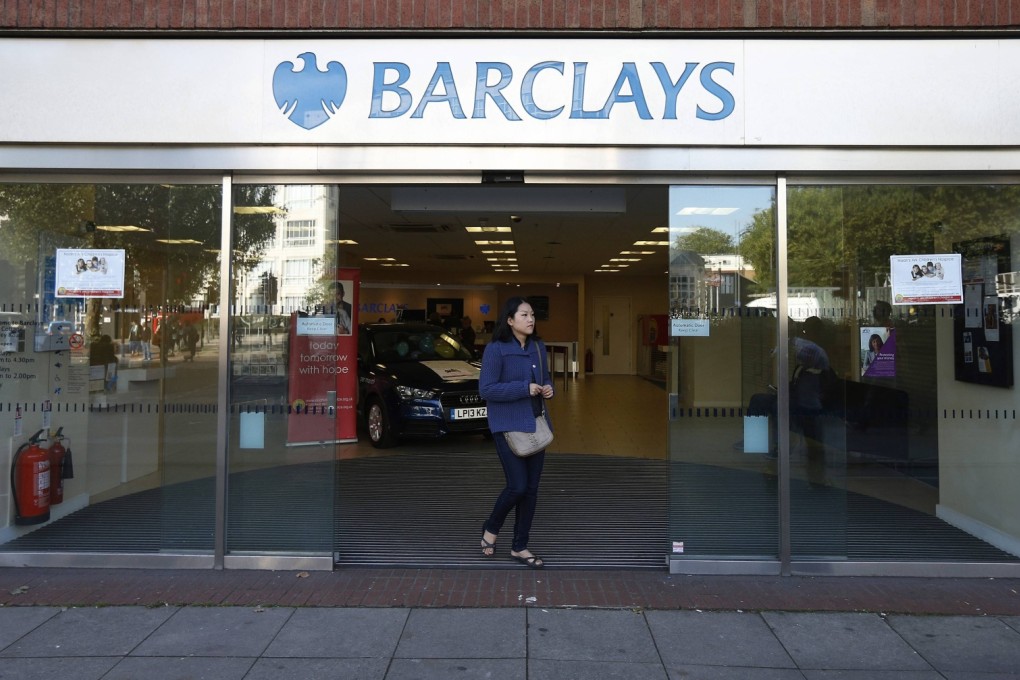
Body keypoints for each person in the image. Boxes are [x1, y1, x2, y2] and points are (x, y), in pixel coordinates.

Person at [478, 297, 553, 569]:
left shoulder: (538, 347)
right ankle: (491, 526)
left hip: (535, 425)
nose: (531, 319)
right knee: (517, 486)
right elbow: (486, 389)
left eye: (532, 314)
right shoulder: (496, 350)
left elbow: (545, 379)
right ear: (510, 320)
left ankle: (520, 546)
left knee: (531, 491)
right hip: (507, 427)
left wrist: (547, 389)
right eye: (524, 315)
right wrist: (524, 388)